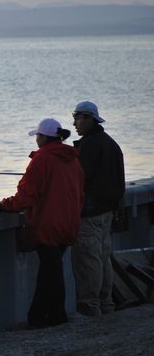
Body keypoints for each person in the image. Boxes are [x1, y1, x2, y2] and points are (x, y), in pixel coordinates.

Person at [0, 118, 84, 328]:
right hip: (68, 223)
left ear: (44, 137)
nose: (36, 139)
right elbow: (80, 192)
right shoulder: (72, 159)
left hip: (49, 225)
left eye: (37, 135)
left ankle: (50, 317)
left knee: (50, 272)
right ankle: (44, 316)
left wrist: (3, 205)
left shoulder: (42, 159)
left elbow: (27, 195)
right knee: (51, 270)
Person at [71, 101, 125, 317]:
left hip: (89, 213)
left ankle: (90, 306)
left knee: (88, 260)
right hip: (107, 211)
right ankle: (106, 304)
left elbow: (80, 180)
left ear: (88, 118)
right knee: (103, 258)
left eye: (77, 118)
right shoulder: (111, 144)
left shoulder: (89, 146)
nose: (74, 123)